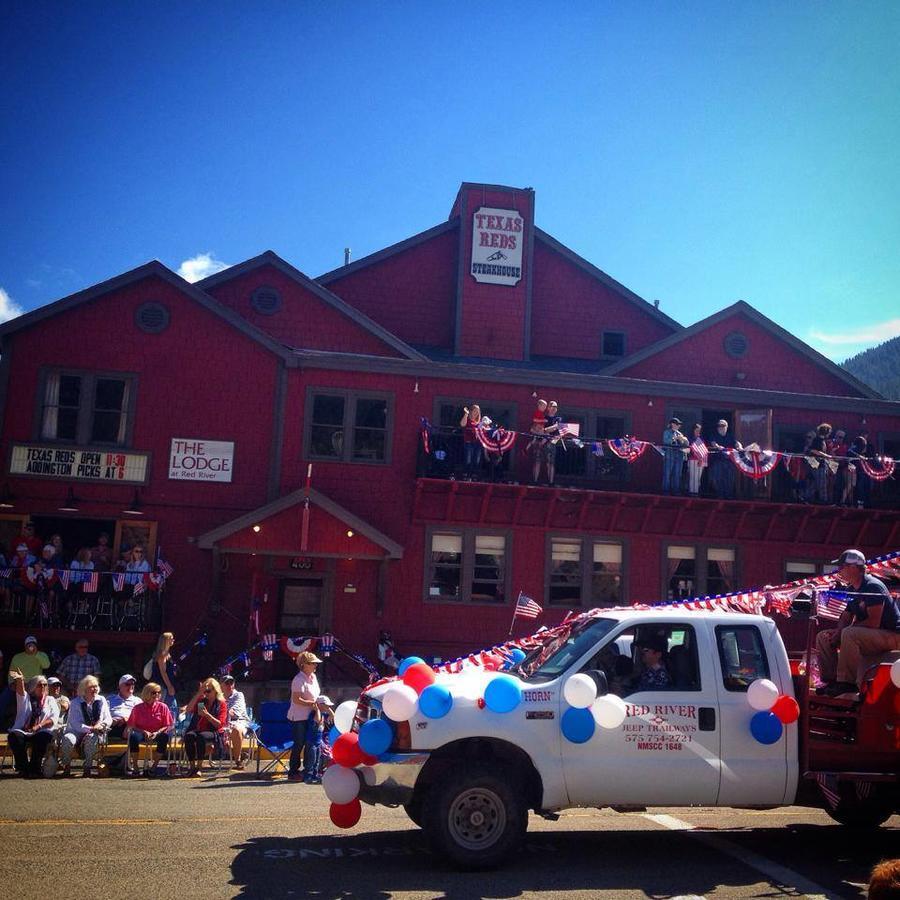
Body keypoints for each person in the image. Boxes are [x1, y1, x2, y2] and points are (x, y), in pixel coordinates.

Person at [815, 548, 900, 696]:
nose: (839, 570)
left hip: (893, 636)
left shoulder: (873, 586)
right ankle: (831, 681)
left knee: (849, 633)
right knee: (824, 637)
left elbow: (874, 622)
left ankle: (847, 683)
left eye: (842, 566)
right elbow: (846, 617)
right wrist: (837, 632)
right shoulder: (852, 589)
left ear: (854, 567)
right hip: (872, 635)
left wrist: (844, 631)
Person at [8, 670, 59, 778]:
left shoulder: (50, 700)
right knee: (14, 737)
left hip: (42, 730)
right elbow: (21, 692)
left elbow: (53, 719)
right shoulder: (27, 698)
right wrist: (20, 680)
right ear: (33, 687)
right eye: (40, 685)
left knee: (42, 738)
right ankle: (23, 768)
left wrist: (38, 726)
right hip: (25, 730)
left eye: (45, 685)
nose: (43, 687)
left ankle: (35, 768)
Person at [60, 675, 112, 776]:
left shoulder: (101, 700)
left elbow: (108, 718)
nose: (95, 689)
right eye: (91, 687)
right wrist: (90, 728)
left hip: (97, 732)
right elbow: (75, 723)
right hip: (77, 731)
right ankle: (66, 765)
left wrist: (101, 725)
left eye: (96, 686)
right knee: (67, 739)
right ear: (84, 689)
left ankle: (87, 767)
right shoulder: (75, 702)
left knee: (91, 737)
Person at [182, 677, 228, 776]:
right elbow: (189, 709)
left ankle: (199, 767)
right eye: (205, 691)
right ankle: (192, 766)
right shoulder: (202, 701)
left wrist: (207, 715)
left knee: (201, 737)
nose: (206, 693)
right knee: (189, 736)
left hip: (214, 730)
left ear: (215, 691)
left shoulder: (221, 704)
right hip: (199, 728)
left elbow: (220, 724)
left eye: (208, 691)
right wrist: (199, 693)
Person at [287, 650, 321, 782]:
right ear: (304, 665)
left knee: (309, 743)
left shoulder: (314, 677)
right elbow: (296, 700)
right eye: (312, 663)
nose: (315, 665)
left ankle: (307, 771)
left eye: (315, 663)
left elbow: (316, 695)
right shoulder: (298, 679)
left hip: (311, 716)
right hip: (299, 717)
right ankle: (293, 772)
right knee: (299, 743)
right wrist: (312, 703)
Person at [126, 682, 174, 776]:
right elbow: (132, 725)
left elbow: (167, 725)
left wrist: (157, 732)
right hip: (141, 732)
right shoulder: (137, 708)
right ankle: (135, 766)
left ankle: (154, 766)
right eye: (154, 692)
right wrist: (144, 731)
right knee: (133, 737)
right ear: (147, 693)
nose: (157, 694)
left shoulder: (163, 707)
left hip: (157, 732)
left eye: (158, 692)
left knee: (164, 737)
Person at [221, 675, 250, 769]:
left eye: (231, 683)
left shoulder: (238, 695)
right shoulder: (218, 696)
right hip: (222, 720)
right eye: (227, 683)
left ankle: (238, 760)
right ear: (221, 685)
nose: (230, 685)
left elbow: (234, 713)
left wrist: (222, 710)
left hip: (239, 720)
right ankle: (196, 765)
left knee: (236, 729)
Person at [305, 695, 334, 784]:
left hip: (317, 742)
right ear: (319, 705)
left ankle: (315, 774)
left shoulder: (323, 714)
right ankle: (308, 775)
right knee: (312, 759)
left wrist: (329, 710)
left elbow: (333, 715)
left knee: (317, 759)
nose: (328, 707)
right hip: (312, 741)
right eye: (326, 705)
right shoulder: (314, 714)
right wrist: (317, 709)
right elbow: (317, 721)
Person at [707, 419, 739, 499]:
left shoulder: (730, 436)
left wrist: (739, 447)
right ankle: (720, 496)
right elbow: (713, 443)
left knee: (729, 479)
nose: (720, 427)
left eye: (723, 426)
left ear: (727, 427)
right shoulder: (714, 435)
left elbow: (736, 443)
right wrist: (718, 447)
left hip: (729, 461)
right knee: (718, 479)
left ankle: (729, 496)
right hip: (717, 461)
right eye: (719, 426)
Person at [149, 631, 178, 715]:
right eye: (171, 638)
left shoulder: (167, 654)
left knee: (171, 707)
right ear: (166, 641)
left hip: (166, 684)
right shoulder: (162, 654)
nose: (173, 640)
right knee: (167, 708)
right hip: (162, 686)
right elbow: (163, 672)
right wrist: (169, 686)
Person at [107, 674, 141, 740]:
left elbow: (141, 718)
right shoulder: (110, 699)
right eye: (127, 684)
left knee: (133, 735)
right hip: (111, 725)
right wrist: (110, 720)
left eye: (132, 684)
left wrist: (127, 720)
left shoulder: (138, 701)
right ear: (120, 686)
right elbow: (103, 713)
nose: (131, 686)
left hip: (128, 726)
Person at [662, 417, 689, 495]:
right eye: (677, 424)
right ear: (672, 424)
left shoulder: (680, 434)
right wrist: (674, 439)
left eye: (679, 425)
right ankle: (665, 491)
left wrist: (682, 440)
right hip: (669, 456)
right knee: (667, 474)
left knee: (677, 474)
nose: (678, 426)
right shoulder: (666, 433)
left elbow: (686, 445)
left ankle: (676, 491)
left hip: (679, 457)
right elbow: (666, 442)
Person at [542, 401, 564, 487]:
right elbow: (538, 428)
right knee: (539, 461)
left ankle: (550, 482)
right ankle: (536, 481)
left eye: (556, 407)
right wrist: (547, 431)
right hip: (542, 442)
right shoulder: (544, 417)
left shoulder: (558, 418)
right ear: (548, 408)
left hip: (552, 442)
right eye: (552, 406)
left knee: (551, 463)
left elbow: (557, 426)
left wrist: (545, 430)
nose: (554, 408)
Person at [459, 404, 483, 480]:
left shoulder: (479, 422)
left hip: (477, 443)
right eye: (475, 411)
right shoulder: (468, 419)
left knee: (476, 461)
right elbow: (462, 424)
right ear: (471, 411)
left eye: (478, 411)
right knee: (468, 460)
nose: (476, 413)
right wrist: (466, 414)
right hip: (469, 442)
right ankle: (466, 476)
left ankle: (474, 476)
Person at [848, 431, 871, 508]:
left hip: (859, 471)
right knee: (855, 487)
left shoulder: (859, 449)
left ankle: (857, 503)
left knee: (858, 487)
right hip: (853, 470)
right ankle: (853, 503)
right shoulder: (854, 448)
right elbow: (849, 452)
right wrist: (859, 456)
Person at [529, 398, 548, 483]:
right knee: (544, 435)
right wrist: (543, 420)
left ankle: (540, 442)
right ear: (539, 406)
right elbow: (535, 420)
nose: (545, 408)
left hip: (540, 429)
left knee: (545, 435)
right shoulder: (538, 412)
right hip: (536, 428)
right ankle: (534, 443)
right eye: (544, 406)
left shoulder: (542, 413)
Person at [686, 423, 708, 496]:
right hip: (692, 460)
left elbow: (704, 450)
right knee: (692, 477)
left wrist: (701, 459)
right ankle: (692, 493)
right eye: (696, 430)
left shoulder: (701, 439)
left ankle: (696, 493)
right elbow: (688, 449)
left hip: (700, 461)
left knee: (698, 478)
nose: (698, 432)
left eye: (699, 430)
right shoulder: (690, 439)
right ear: (693, 430)